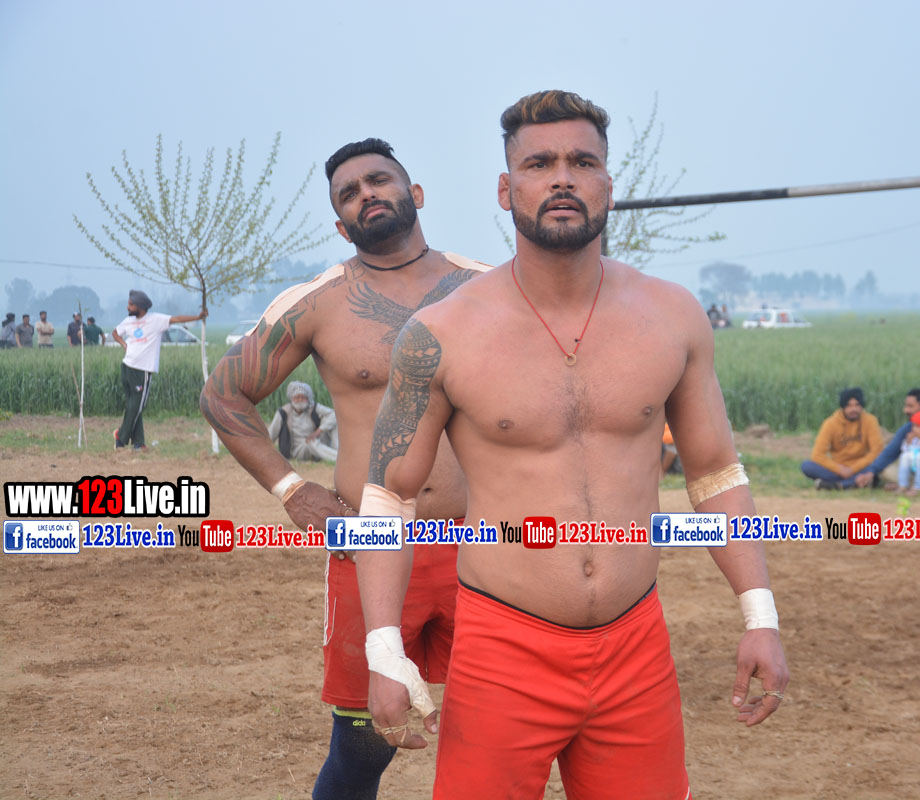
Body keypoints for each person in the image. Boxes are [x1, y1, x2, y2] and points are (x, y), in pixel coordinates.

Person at [357, 90, 788, 799]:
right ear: (506, 190)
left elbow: (714, 473)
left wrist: (759, 614)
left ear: (608, 187)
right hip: (501, 648)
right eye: (539, 163)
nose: (562, 178)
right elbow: (387, 498)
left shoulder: (671, 316)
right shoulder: (440, 334)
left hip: (634, 644)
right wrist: (383, 650)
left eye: (582, 162)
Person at [199, 137, 490, 800]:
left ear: (415, 194)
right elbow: (223, 394)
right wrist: (291, 489)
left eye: (378, 180)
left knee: (496, 731)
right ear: (340, 224)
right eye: (348, 194)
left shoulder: (489, 288)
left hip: (484, 547)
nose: (366, 195)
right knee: (363, 745)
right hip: (372, 547)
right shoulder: (319, 302)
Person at [111, 290, 207, 450]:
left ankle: (139, 444)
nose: (128, 307)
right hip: (127, 367)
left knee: (135, 407)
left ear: (141, 306)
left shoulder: (156, 320)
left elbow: (177, 319)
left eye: (131, 304)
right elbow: (115, 333)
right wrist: (124, 344)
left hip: (142, 369)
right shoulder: (128, 321)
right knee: (135, 406)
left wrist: (197, 317)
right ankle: (121, 437)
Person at [800, 387, 884, 490]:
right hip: (838, 469)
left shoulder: (870, 421)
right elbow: (817, 455)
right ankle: (852, 483)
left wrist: (853, 469)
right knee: (807, 466)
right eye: (849, 405)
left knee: (876, 468)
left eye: (857, 405)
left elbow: (876, 451)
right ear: (843, 407)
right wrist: (839, 469)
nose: (853, 409)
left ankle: (838, 485)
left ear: (862, 406)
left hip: (861, 467)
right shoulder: (831, 423)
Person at [268, 380, 338, 462]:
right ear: (292, 398)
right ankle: (338, 458)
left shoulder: (312, 407)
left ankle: (338, 452)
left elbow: (334, 414)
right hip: (297, 451)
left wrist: (318, 431)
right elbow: (270, 435)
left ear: (308, 399)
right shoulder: (283, 412)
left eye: (303, 397)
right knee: (311, 442)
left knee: (333, 423)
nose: (300, 400)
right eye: (297, 397)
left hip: (316, 442)